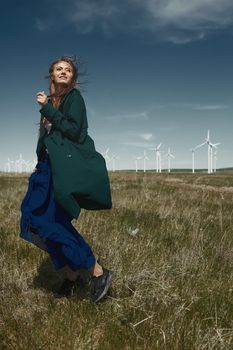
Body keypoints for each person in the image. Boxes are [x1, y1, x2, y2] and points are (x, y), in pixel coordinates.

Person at [20, 56, 113, 303]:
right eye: (58, 69)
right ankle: (72, 274)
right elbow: (47, 139)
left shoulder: (74, 99)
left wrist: (47, 109)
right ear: (52, 75)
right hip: (46, 168)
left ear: (73, 77)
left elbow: (74, 130)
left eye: (68, 70)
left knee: (50, 222)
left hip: (59, 170)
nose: (63, 72)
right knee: (32, 220)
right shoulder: (53, 101)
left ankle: (96, 271)